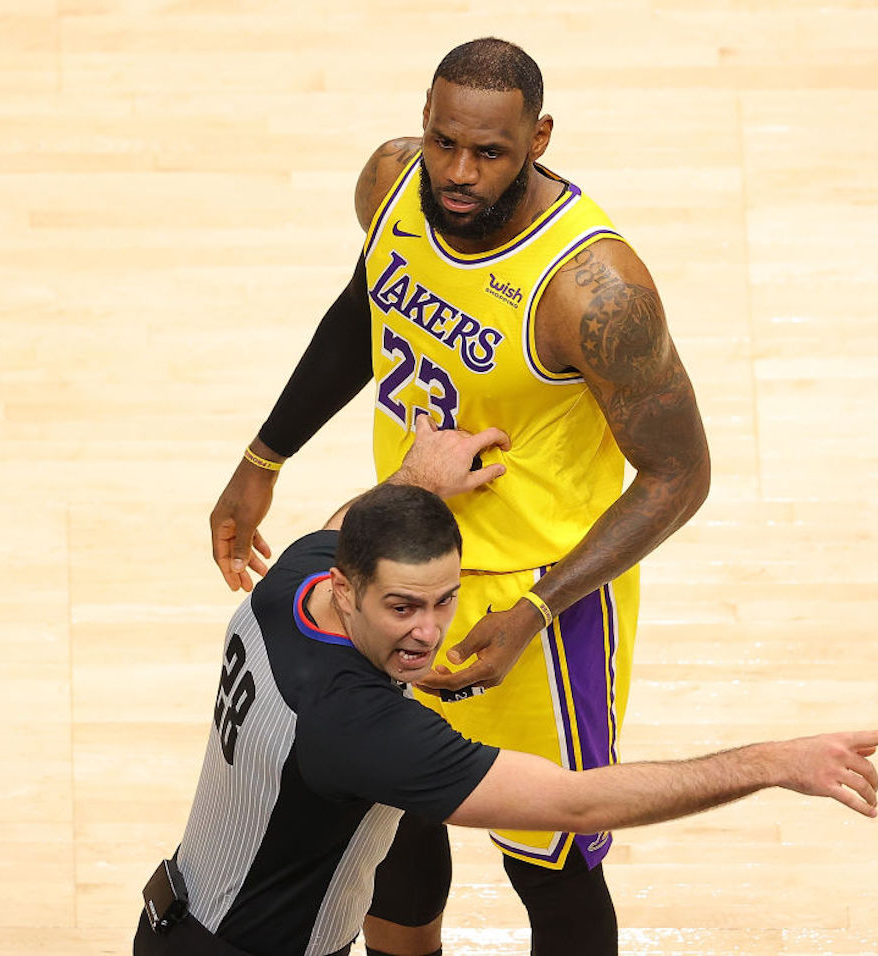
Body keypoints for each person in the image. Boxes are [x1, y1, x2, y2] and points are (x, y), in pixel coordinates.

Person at [209, 37, 712, 955]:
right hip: (400, 554)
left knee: (550, 863)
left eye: (489, 153)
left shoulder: (593, 291)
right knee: (389, 826)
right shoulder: (394, 182)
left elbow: (682, 476)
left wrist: (534, 610)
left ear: (539, 138)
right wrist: (264, 454)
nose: (458, 172)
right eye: (445, 142)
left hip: (540, 596)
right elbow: (368, 305)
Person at [145, 420, 878, 956]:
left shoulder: (290, 585)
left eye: (443, 600)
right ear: (348, 592)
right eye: (402, 607)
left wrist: (417, 479)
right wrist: (773, 763)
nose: (428, 632)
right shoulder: (356, 726)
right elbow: (575, 803)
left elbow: (349, 520)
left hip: (178, 919)